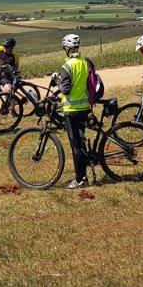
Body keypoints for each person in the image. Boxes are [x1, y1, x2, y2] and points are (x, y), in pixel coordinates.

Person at [48, 33, 94, 188]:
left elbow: (66, 90)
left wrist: (57, 80)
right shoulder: (84, 62)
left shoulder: (67, 66)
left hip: (72, 110)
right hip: (84, 107)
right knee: (81, 141)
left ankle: (80, 179)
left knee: (76, 146)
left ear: (66, 48)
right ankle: (84, 173)